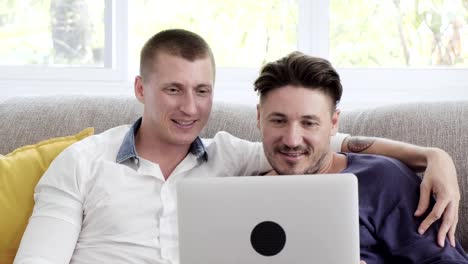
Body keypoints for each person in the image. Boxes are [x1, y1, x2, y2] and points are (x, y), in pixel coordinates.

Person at [14, 29, 460, 263]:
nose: (190, 108)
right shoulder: (82, 162)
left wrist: (433, 157)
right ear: (140, 88)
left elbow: (315, 148)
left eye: (202, 91)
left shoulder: (238, 155)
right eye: (173, 89)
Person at [254, 51, 468, 263]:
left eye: (309, 123)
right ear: (259, 118)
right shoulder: (243, 192)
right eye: (278, 121)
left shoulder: (383, 180)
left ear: (334, 123)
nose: (292, 140)